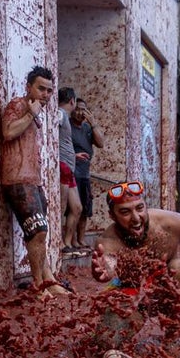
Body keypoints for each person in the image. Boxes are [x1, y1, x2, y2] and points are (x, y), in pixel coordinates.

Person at [0, 65, 69, 297]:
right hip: (17, 180)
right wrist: (30, 114)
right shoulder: (18, 105)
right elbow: (8, 132)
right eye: (41, 89)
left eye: (49, 91)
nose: (45, 95)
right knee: (38, 231)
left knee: (41, 233)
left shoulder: (35, 111)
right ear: (29, 87)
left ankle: (48, 280)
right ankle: (39, 286)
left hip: (33, 181)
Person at [70, 98, 104, 250]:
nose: (80, 113)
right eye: (77, 109)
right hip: (72, 173)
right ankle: (71, 240)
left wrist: (93, 123)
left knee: (85, 209)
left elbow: (101, 143)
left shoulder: (87, 128)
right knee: (73, 209)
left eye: (83, 110)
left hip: (85, 174)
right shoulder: (67, 125)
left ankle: (81, 239)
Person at [56, 87, 83, 253]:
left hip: (68, 167)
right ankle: (58, 242)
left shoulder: (63, 115)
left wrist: (74, 155)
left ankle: (67, 242)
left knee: (77, 207)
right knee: (61, 206)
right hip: (62, 166)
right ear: (72, 101)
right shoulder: (60, 113)